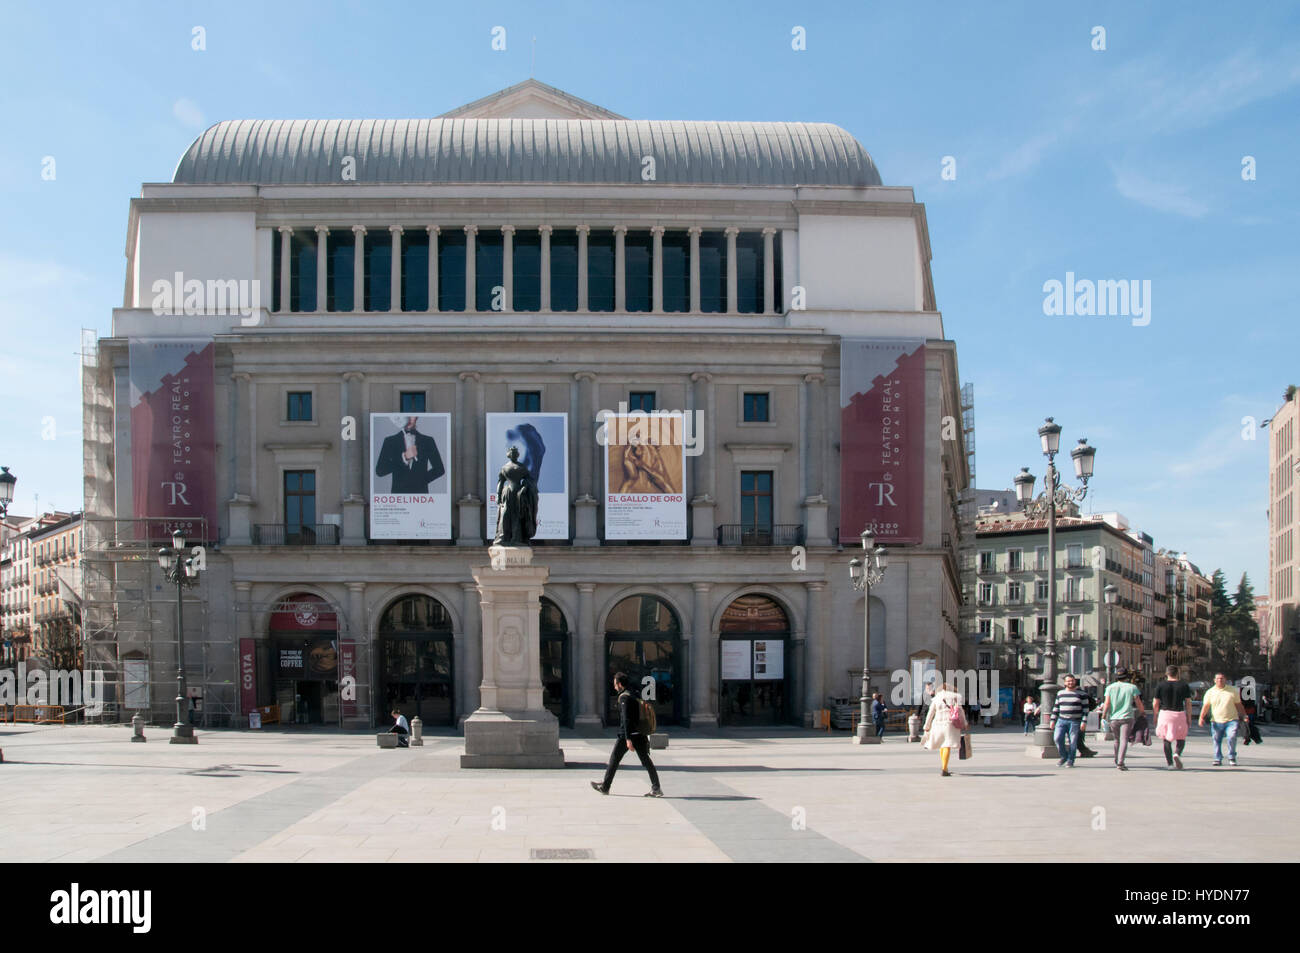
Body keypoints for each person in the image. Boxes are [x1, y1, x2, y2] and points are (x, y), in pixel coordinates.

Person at [592, 672, 663, 797]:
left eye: (615, 684)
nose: (614, 687)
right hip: (639, 734)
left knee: (614, 760)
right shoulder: (633, 693)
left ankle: (605, 787)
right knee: (646, 761)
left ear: (619, 684)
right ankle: (656, 787)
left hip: (627, 735)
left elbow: (626, 719)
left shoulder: (624, 697)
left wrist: (628, 738)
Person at [375, 416, 445, 494]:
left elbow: (440, 469)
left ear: (417, 417)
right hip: (398, 498)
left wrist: (420, 481)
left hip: (421, 497)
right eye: (405, 416)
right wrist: (404, 457)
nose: (407, 419)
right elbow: (380, 471)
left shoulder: (428, 441)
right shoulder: (390, 441)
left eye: (411, 415)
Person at [1098, 669, 1145, 771]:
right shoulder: (1132, 687)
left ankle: (1116, 759)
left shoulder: (1110, 687)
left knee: (1116, 740)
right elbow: (1138, 702)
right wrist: (1142, 712)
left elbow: (1107, 703)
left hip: (1114, 718)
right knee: (1124, 739)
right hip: (1127, 717)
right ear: (1127, 677)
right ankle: (1120, 762)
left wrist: (1104, 715)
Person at [1198, 672, 1248, 766]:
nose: (1220, 680)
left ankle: (1232, 757)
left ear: (1225, 680)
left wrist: (1244, 715)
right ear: (1214, 680)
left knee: (1232, 737)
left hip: (1231, 720)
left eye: (1222, 678)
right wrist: (1201, 717)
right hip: (1216, 721)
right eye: (1218, 678)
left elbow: (1239, 705)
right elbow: (1206, 706)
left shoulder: (1233, 691)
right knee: (1216, 739)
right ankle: (1217, 758)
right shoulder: (1210, 692)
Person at [922, 681, 966, 777]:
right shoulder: (955, 697)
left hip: (937, 724)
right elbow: (960, 711)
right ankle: (944, 768)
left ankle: (944, 767)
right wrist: (965, 723)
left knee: (942, 744)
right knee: (947, 745)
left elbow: (930, 713)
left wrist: (926, 725)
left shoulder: (936, 698)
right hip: (949, 724)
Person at [1152, 665, 1191, 769]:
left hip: (1165, 714)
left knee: (1166, 739)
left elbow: (1156, 703)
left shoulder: (1160, 685)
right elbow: (1188, 702)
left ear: (1167, 673)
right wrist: (1189, 717)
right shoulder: (1184, 685)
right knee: (1181, 737)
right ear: (1177, 673)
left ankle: (1170, 764)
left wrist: (1155, 716)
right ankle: (1177, 753)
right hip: (1179, 713)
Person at [1049, 674, 1090, 767]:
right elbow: (1056, 707)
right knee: (1057, 738)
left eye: (1072, 681)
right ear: (1065, 683)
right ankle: (1064, 756)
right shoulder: (1060, 693)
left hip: (1075, 721)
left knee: (1073, 741)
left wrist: (1084, 722)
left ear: (1075, 681)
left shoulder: (1082, 694)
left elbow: (1085, 710)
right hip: (1061, 720)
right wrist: (1052, 720)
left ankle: (1070, 760)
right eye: (1068, 681)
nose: (1070, 682)